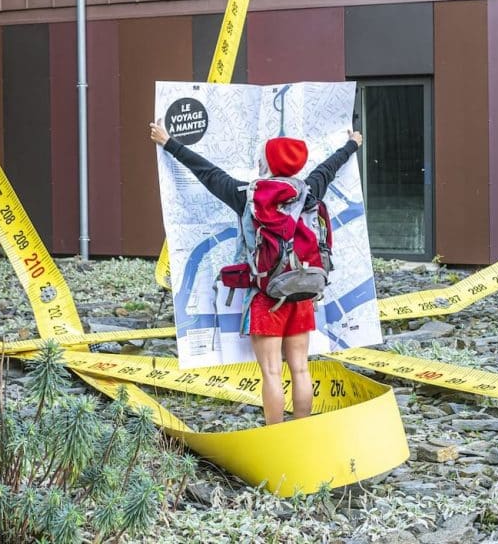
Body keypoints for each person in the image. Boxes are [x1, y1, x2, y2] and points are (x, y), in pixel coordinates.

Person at [149, 120, 363, 424]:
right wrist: (353, 142)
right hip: (303, 290)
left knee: (272, 371)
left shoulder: (247, 195)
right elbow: (332, 165)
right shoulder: (311, 188)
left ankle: (275, 437)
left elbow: (208, 173)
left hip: (266, 296)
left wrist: (168, 142)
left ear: (267, 162)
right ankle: (303, 431)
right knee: (301, 368)